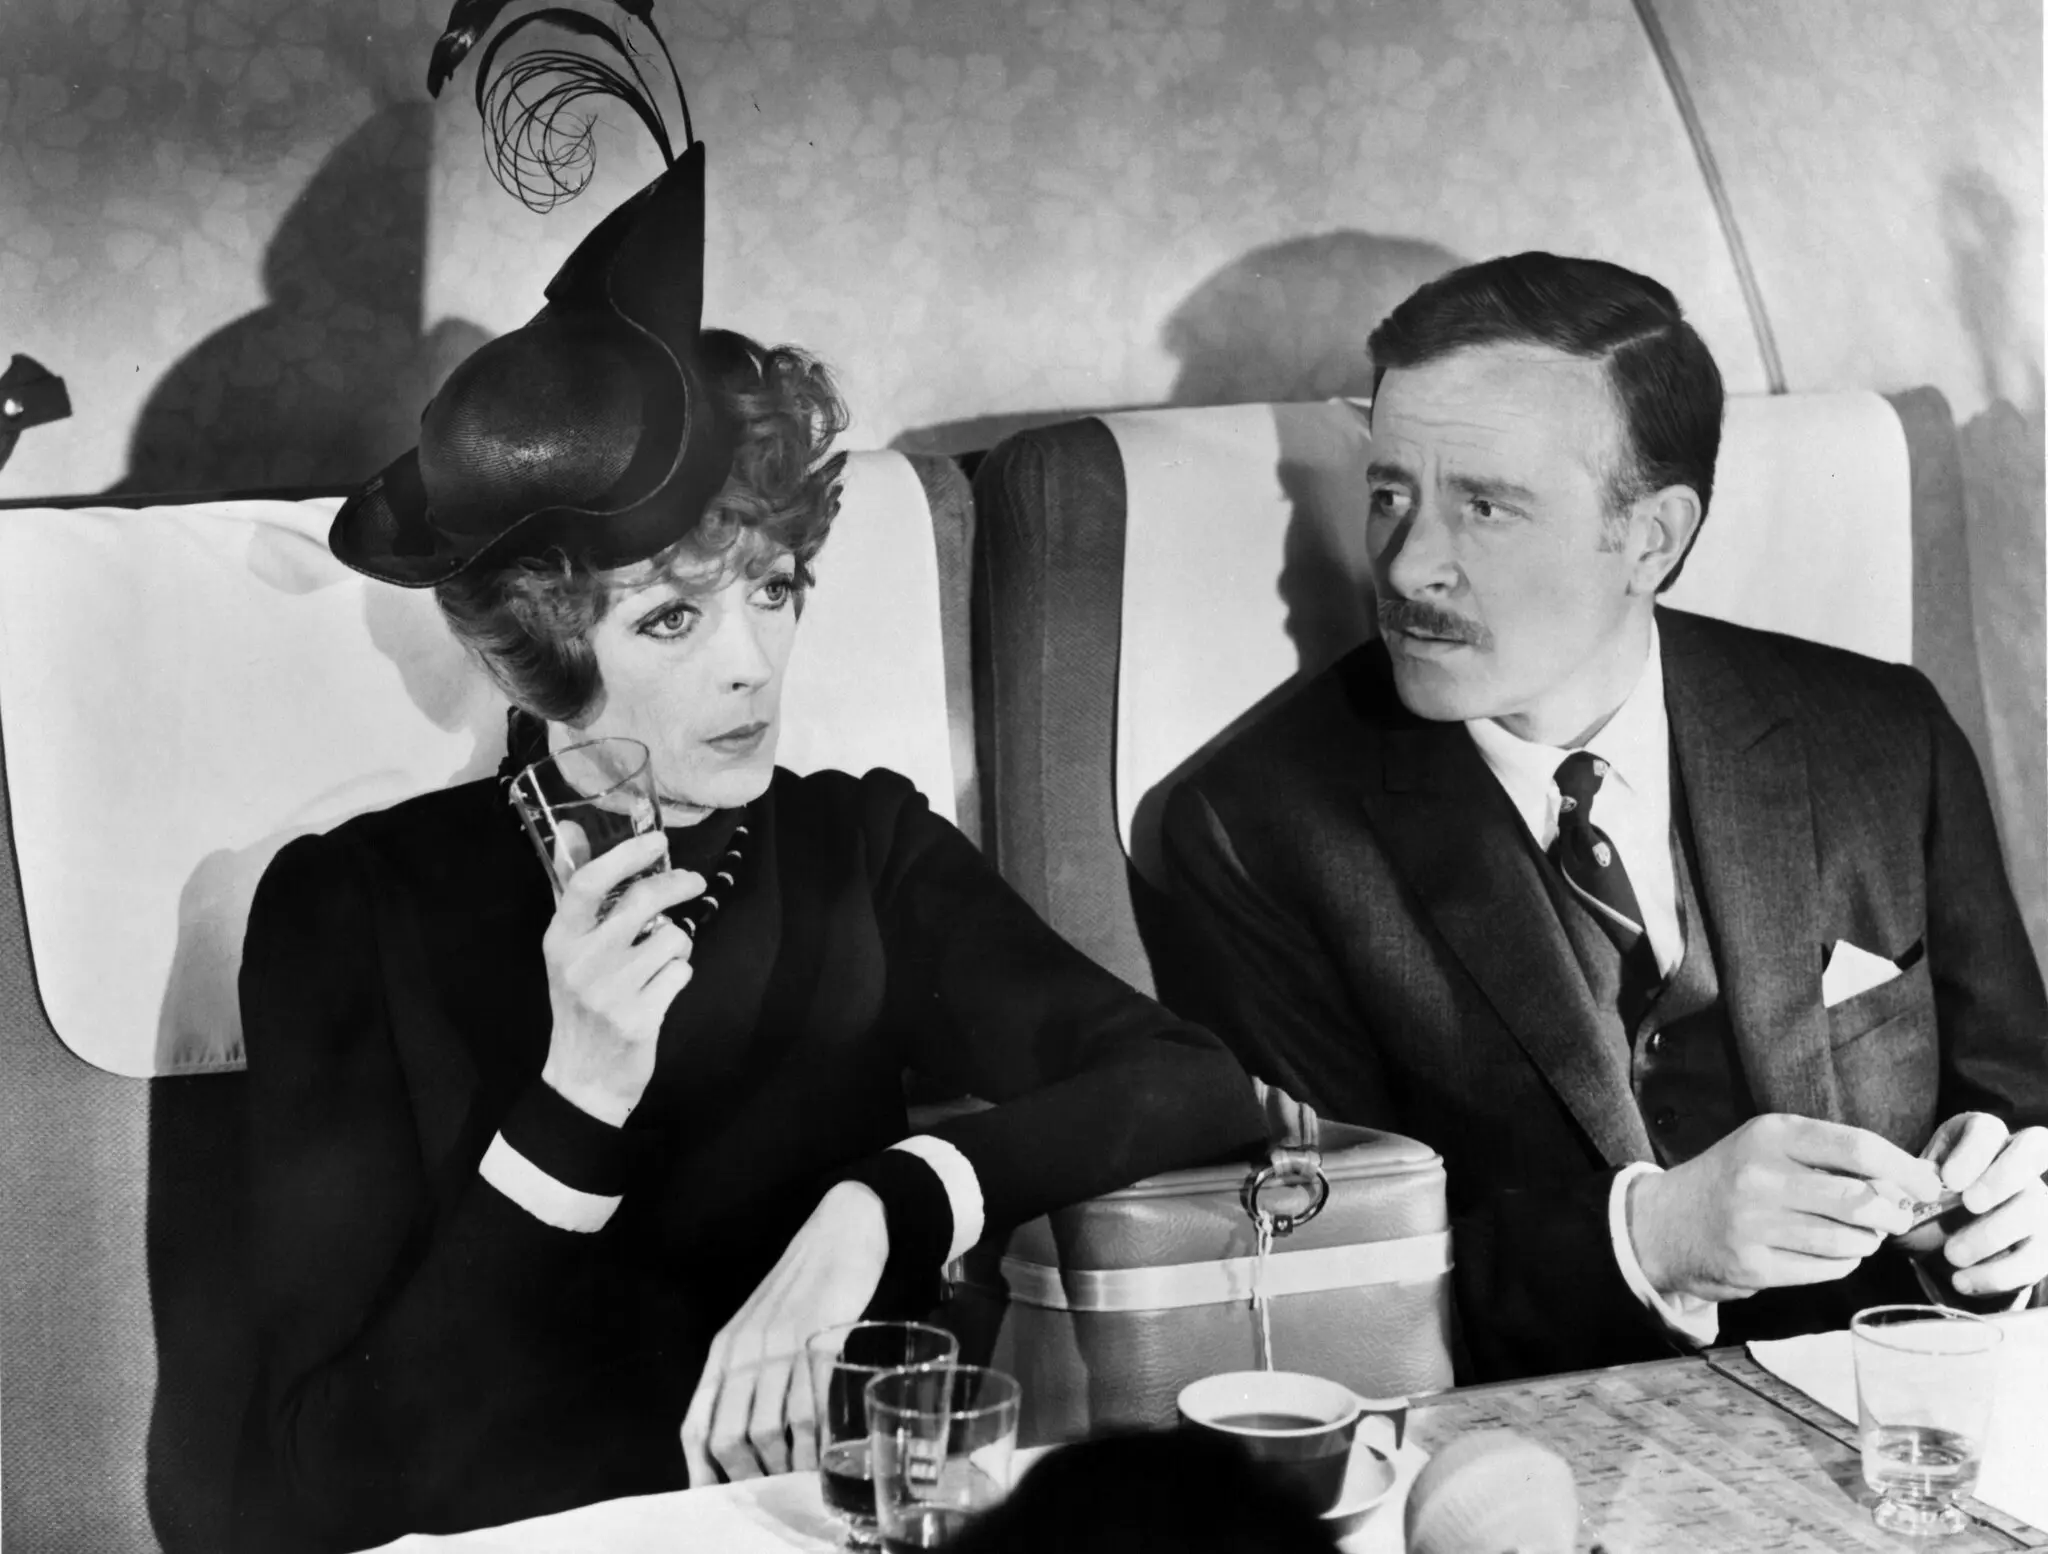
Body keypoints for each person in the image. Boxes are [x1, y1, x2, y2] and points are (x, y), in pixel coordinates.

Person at [232, 11, 1263, 1551]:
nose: (752, 665)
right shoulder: (350, 907)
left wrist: (888, 1198)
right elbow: (314, 1482)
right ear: (539, 639)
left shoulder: (859, 846)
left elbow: (1192, 1081)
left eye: (773, 588)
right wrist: (579, 1096)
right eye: (673, 616)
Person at [1163, 251, 2048, 1383]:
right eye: (1389, 494)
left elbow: (2021, 1105)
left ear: (1651, 538)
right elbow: (1318, 1279)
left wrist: (2009, 1222)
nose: (1408, 563)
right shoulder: (1256, 829)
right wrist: (1651, 1244)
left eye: (1484, 506)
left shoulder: (1882, 735)